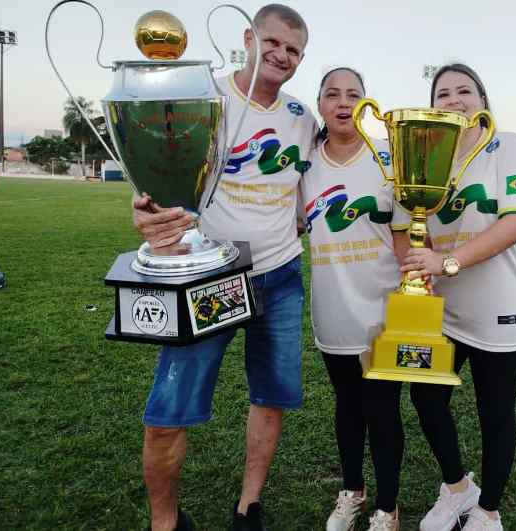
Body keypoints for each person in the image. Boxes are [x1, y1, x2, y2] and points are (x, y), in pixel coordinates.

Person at [131, 5, 316, 531]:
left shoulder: (302, 118)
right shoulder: (202, 98)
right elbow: (156, 175)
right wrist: (144, 211)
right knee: (169, 410)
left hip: (279, 277)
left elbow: (309, 188)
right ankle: (164, 523)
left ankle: (248, 505)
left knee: (271, 396)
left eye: (294, 50)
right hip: (208, 277)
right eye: (273, 42)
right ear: (248, 38)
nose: (282, 55)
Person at [401, 63, 516, 531]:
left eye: (465, 91)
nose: (454, 99)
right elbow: (418, 227)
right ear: (431, 104)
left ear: (481, 100)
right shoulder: (425, 158)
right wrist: (427, 261)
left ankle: (487, 511)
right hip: (447, 310)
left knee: (494, 413)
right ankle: (458, 489)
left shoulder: (508, 146)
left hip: (503, 307)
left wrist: (448, 263)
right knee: (425, 396)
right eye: (443, 93)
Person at [301, 67, 409, 531]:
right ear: (320, 104)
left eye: (353, 95)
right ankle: (352, 491)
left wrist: (408, 303)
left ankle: (387, 506)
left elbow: (405, 239)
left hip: (382, 306)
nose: (343, 103)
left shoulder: (389, 159)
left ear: (366, 105)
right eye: (332, 95)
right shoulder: (304, 164)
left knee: (382, 408)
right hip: (332, 306)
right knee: (347, 405)